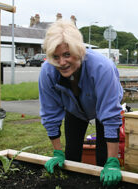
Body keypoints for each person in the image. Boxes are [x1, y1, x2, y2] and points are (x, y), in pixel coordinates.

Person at [39, 19, 123, 186]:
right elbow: (50, 113)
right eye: (56, 57)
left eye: (67, 54)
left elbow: (110, 115)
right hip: (74, 108)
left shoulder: (102, 67)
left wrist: (112, 161)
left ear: (79, 51)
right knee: (71, 154)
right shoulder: (48, 72)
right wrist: (57, 152)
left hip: (103, 105)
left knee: (103, 156)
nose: (61, 62)